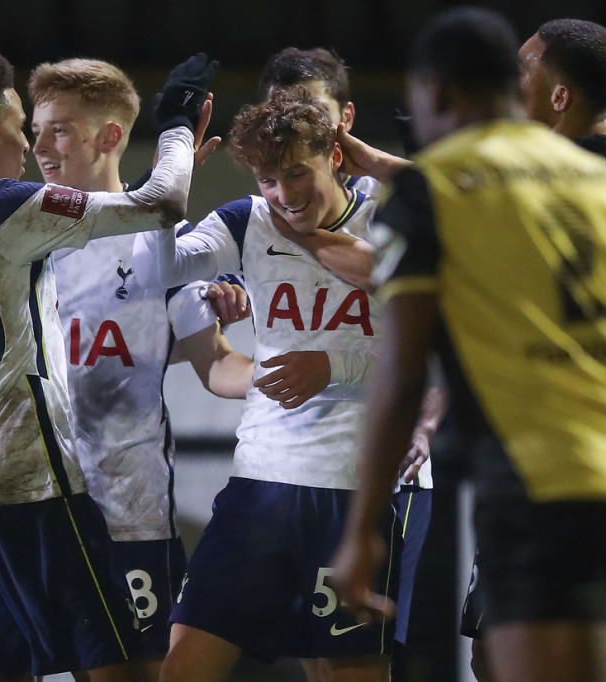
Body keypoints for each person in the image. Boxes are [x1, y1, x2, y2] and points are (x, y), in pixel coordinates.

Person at [328, 8, 606, 682]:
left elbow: (402, 368)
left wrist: (362, 526)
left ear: (435, 90)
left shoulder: (433, 189)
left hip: (540, 482)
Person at [0, 47, 213, 681]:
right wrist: (175, 126)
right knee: (117, 669)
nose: (28, 146)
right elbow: (164, 202)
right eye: (20, 129)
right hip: (32, 483)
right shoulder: (7, 206)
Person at [462, 19, 606, 680]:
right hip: (527, 448)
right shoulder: (509, 157)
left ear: (560, 95)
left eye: (525, 66)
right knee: (490, 652)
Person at [136, 88, 400, 682]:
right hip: (258, 483)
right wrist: (167, 189)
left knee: (348, 674)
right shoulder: (246, 220)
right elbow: (161, 267)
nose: (284, 195)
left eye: (298, 173)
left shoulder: (387, 220)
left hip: (351, 486)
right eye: (269, 180)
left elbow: (423, 357)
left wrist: (333, 367)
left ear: (336, 155)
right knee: (182, 669)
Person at [26, 57, 252, 682]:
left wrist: (315, 379)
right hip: (42, 507)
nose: (39, 147)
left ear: (110, 136)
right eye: (36, 131)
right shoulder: (21, 237)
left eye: (59, 130)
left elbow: (217, 365)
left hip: (129, 513)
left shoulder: (159, 243)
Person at [258, 47, 441, 665]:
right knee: (314, 657)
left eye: (312, 112)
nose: (294, 126)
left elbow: (442, 327)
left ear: (345, 123)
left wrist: (426, 421)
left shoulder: (398, 207)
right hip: (293, 469)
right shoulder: (267, 213)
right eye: (280, 114)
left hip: (380, 470)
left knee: (358, 659)